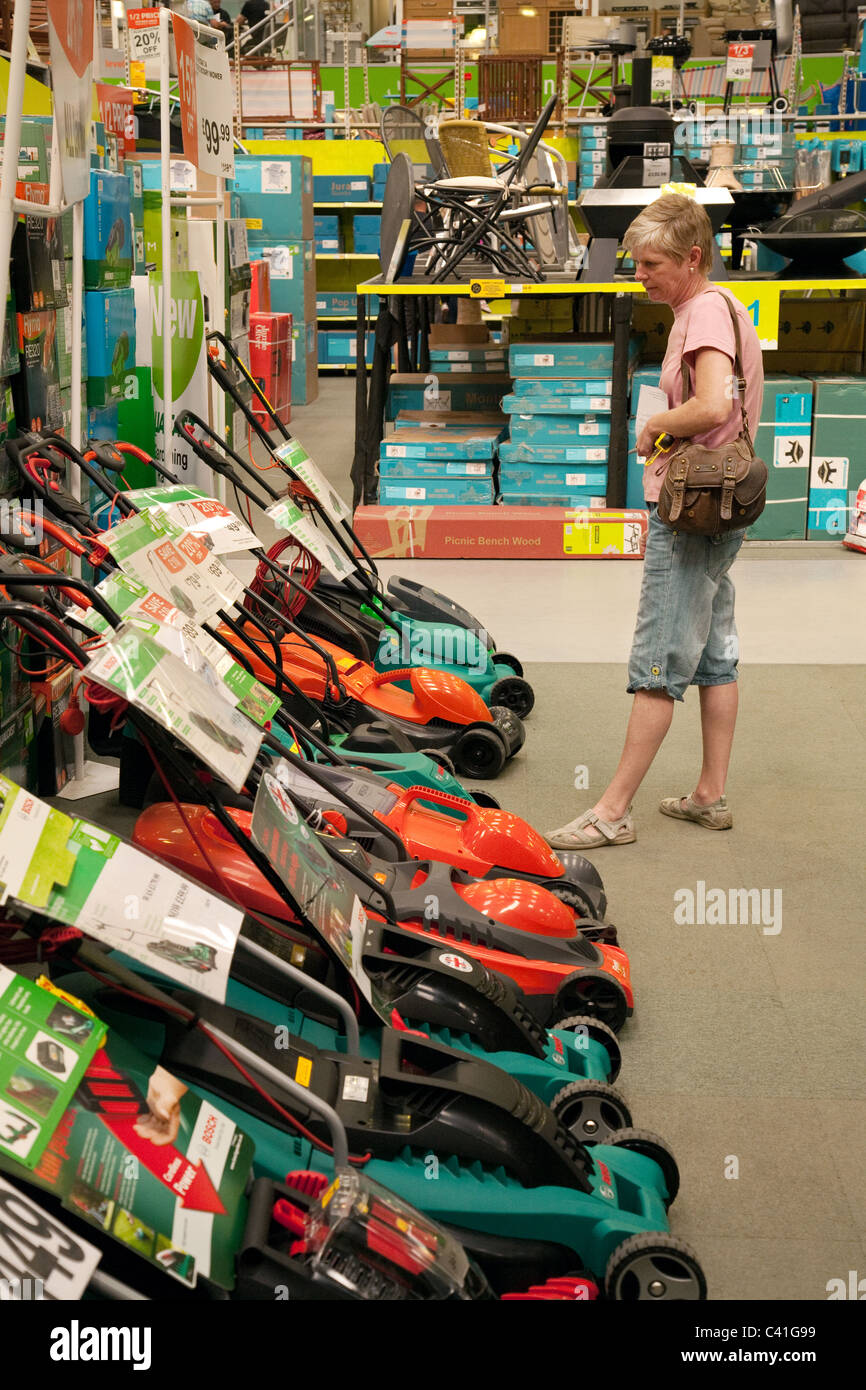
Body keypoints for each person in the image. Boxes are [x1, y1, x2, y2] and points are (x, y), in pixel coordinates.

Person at [547, 193, 763, 850]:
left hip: (691, 511)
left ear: (692, 258)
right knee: (715, 654)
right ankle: (709, 794)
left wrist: (656, 426)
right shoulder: (721, 307)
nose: (639, 274)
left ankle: (612, 812)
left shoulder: (701, 315)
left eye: (651, 263)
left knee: (659, 659)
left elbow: (712, 403)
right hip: (722, 508)